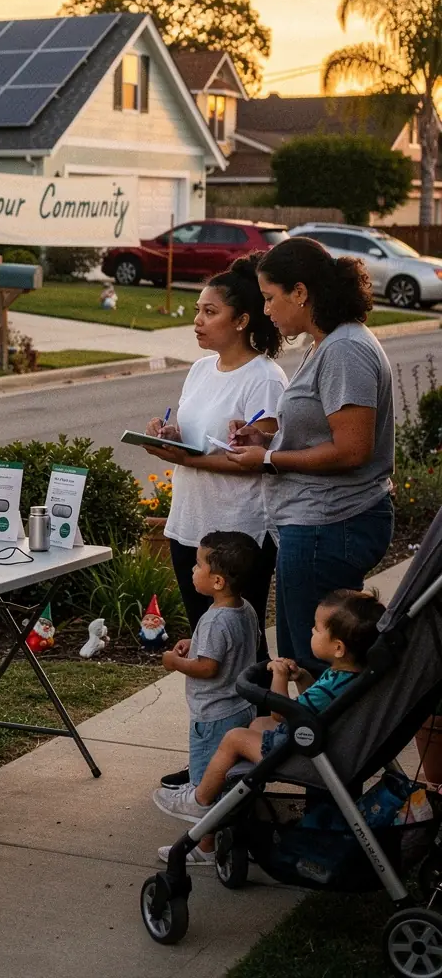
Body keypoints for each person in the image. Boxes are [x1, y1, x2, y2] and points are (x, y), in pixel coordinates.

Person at [228, 237, 395, 662]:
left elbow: (352, 449)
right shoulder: (326, 343)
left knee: (311, 661)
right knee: (297, 659)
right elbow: (322, 431)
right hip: (316, 523)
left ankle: (317, 732)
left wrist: (268, 459)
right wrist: (265, 439)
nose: (265, 310)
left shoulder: (346, 350)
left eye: (270, 297)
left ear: (300, 292)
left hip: (330, 524)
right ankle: (302, 729)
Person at [144, 255, 287, 658]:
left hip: (237, 533)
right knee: (204, 638)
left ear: (241, 320)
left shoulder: (264, 378)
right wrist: (171, 434)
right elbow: (197, 438)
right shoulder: (201, 369)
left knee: (241, 643)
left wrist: (187, 459)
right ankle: (213, 720)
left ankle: (255, 719)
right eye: (197, 311)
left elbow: (259, 459)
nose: (198, 321)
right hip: (190, 522)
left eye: (210, 312)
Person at [153, 589, 385, 824]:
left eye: (317, 629)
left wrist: (279, 676)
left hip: (305, 751)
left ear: (338, 647)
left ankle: (200, 800)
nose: (311, 632)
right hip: (320, 740)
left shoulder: (337, 682)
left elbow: (280, 713)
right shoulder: (348, 676)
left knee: (235, 738)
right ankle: (242, 801)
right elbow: (319, 707)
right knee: (258, 723)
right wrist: (303, 677)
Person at [156, 531, 260, 863]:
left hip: (213, 715)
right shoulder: (245, 610)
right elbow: (235, 649)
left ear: (216, 581)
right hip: (242, 708)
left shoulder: (215, 619)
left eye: (198, 563)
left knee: (206, 784)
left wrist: (175, 662)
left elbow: (207, 668)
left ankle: (203, 846)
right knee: (230, 779)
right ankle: (226, 833)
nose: (192, 568)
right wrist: (194, 642)